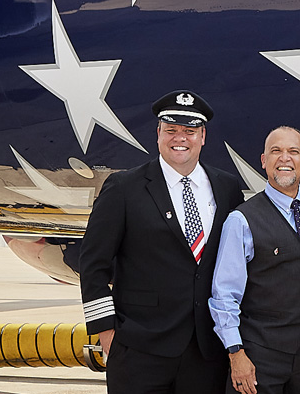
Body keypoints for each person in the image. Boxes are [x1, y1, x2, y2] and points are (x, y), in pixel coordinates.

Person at [79, 90, 245, 393]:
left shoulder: (227, 188)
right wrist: (106, 333)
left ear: (203, 136)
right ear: (158, 133)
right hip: (139, 351)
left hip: (206, 352)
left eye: (189, 131)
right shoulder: (124, 188)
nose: (180, 138)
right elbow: (93, 264)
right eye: (171, 130)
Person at [209, 126, 300, 394]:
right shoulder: (241, 220)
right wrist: (236, 353)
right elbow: (224, 295)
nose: (285, 158)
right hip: (259, 357)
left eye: (294, 151)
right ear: (264, 160)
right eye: (276, 151)